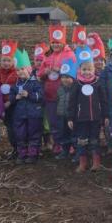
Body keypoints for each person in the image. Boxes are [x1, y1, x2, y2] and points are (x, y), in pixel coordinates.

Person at [67, 46, 109, 172]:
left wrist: (106, 116)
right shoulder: (76, 84)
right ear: (79, 69)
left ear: (94, 69)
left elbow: (104, 101)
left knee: (95, 140)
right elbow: (72, 102)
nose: (87, 72)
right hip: (81, 119)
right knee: (82, 140)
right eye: (84, 69)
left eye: (89, 69)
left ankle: (96, 162)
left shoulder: (98, 82)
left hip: (95, 118)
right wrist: (70, 117)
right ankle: (83, 163)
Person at [38, 24, 71, 156]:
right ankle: (58, 144)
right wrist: (45, 72)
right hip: (50, 94)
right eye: (53, 43)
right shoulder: (47, 55)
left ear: (63, 42)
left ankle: (68, 145)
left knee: (65, 120)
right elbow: (40, 74)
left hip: (64, 95)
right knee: (53, 121)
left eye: (58, 42)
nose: (56, 45)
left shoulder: (69, 55)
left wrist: (61, 70)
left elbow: (73, 72)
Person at [9, 49, 44, 164]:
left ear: (28, 69)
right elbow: (11, 98)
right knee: (20, 134)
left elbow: (41, 96)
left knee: (34, 133)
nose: (20, 72)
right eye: (18, 70)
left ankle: (33, 154)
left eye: (22, 69)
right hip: (20, 114)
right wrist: (15, 98)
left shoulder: (36, 83)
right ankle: (22, 154)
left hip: (34, 114)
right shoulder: (15, 85)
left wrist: (29, 95)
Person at [0, 40, 19, 157]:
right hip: (4, 106)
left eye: (8, 60)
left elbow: (20, 89)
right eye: (4, 60)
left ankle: (21, 147)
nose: (6, 63)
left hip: (16, 105)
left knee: (17, 126)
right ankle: (14, 147)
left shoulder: (17, 74)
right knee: (9, 127)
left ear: (13, 61)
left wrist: (11, 100)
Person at [55, 56, 77, 160]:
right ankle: (65, 150)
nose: (65, 79)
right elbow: (58, 101)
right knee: (63, 134)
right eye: (63, 77)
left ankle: (77, 152)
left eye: (68, 77)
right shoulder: (60, 89)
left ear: (73, 78)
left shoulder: (76, 89)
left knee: (74, 134)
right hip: (62, 115)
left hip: (72, 117)